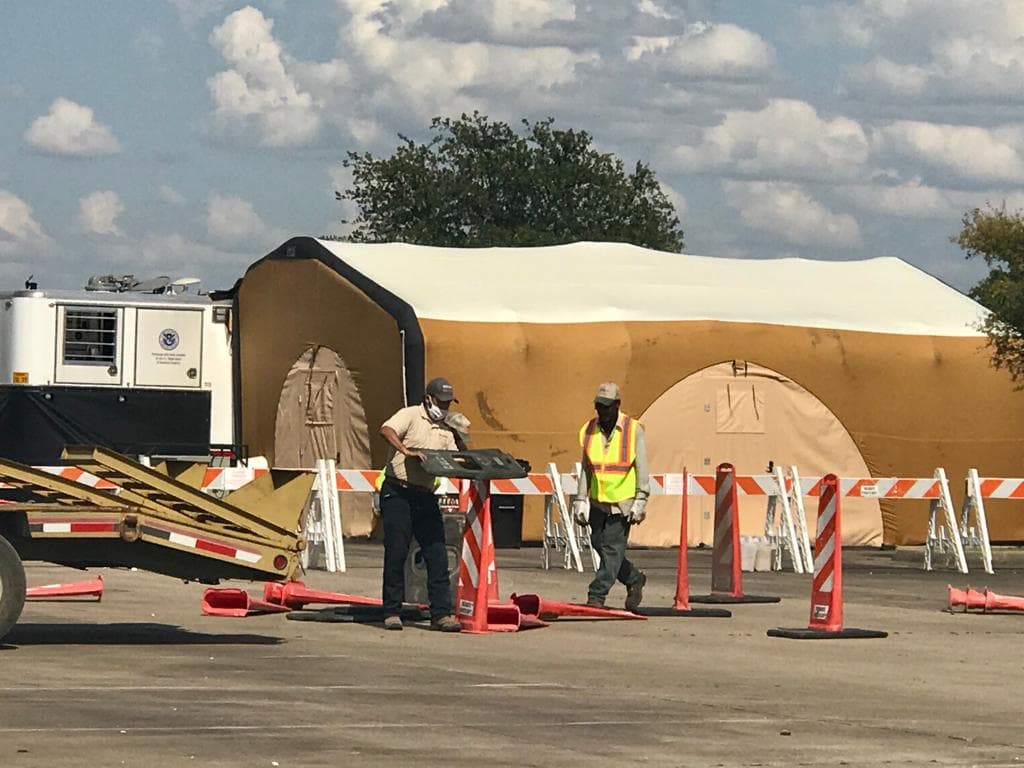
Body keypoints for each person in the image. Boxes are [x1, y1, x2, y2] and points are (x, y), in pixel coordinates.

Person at [378, 377, 463, 632]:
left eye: (448, 403)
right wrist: (405, 451)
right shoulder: (410, 415)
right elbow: (386, 430)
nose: (445, 407)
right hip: (398, 493)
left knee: (437, 553)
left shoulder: (445, 429)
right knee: (397, 550)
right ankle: (392, 611)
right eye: (441, 402)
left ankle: (441, 613)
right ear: (429, 399)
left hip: (425, 495)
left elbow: (453, 457)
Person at [572, 382, 650, 611]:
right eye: (598, 406)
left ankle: (597, 594)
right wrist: (580, 499)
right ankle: (634, 577)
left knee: (613, 549)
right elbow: (587, 467)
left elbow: (642, 467)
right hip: (598, 501)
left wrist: (640, 499)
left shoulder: (633, 429)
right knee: (599, 543)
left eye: (606, 407)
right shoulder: (588, 430)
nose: (602, 412)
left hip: (622, 503)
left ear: (617, 405)